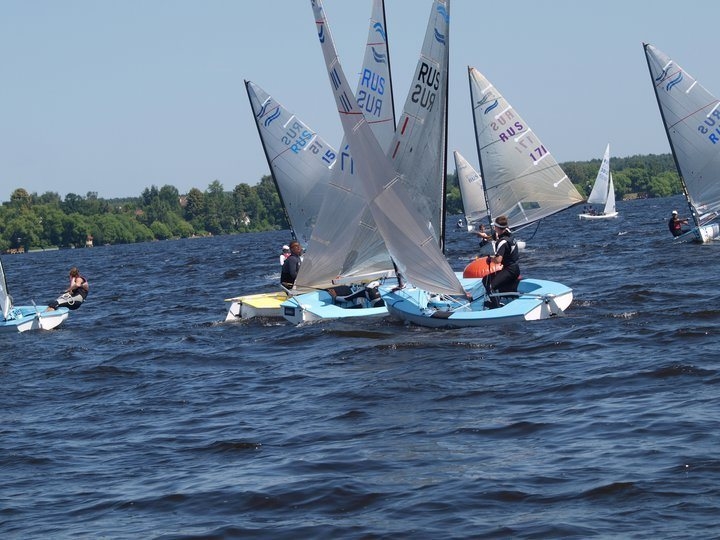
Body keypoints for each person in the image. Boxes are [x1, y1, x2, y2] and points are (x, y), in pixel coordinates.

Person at [482, 215, 520, 308]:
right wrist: (486, 237)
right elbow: (494, 237)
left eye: (494, 226)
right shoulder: (509, 234)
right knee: (487, 279)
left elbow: (498, 260)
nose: (494, 228)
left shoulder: (502, 242)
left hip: (510, 270)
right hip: (515, 268)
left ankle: (495, 306)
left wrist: (490, 258)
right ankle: (500, 300)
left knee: (489, 284)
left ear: (497, 227)